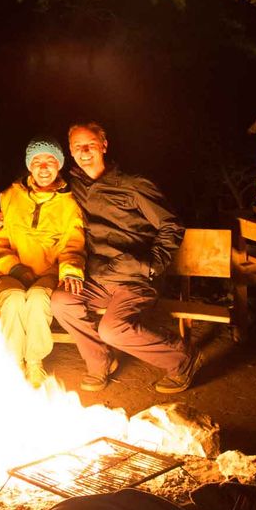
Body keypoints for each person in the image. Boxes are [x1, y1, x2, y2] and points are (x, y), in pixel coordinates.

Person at [50, 122, 201, 394]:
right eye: (77, 147)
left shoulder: (134, 186)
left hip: (134, 279)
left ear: (104, 146)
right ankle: (101, 362)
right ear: (70, 151)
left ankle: (182, 358)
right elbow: (35, 188)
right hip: (97, 278)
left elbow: (171, 225)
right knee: (62, 301)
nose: (84, 152)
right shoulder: (73, 186)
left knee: (112, 330)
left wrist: (152, 265)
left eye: (91, 145)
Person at [0, 137, 86, 386]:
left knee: (39, 298)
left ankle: (34, 362)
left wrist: (70, 271)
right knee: (14, 298)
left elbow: (73, 243)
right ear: (29, 166)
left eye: (50, 161)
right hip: (8, 273)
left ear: (59, 165)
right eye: (37, 161)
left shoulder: (70, 203)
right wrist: (15, 268)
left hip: (47, 274)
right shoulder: (10, 196)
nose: (43, 168)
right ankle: (13, 363)